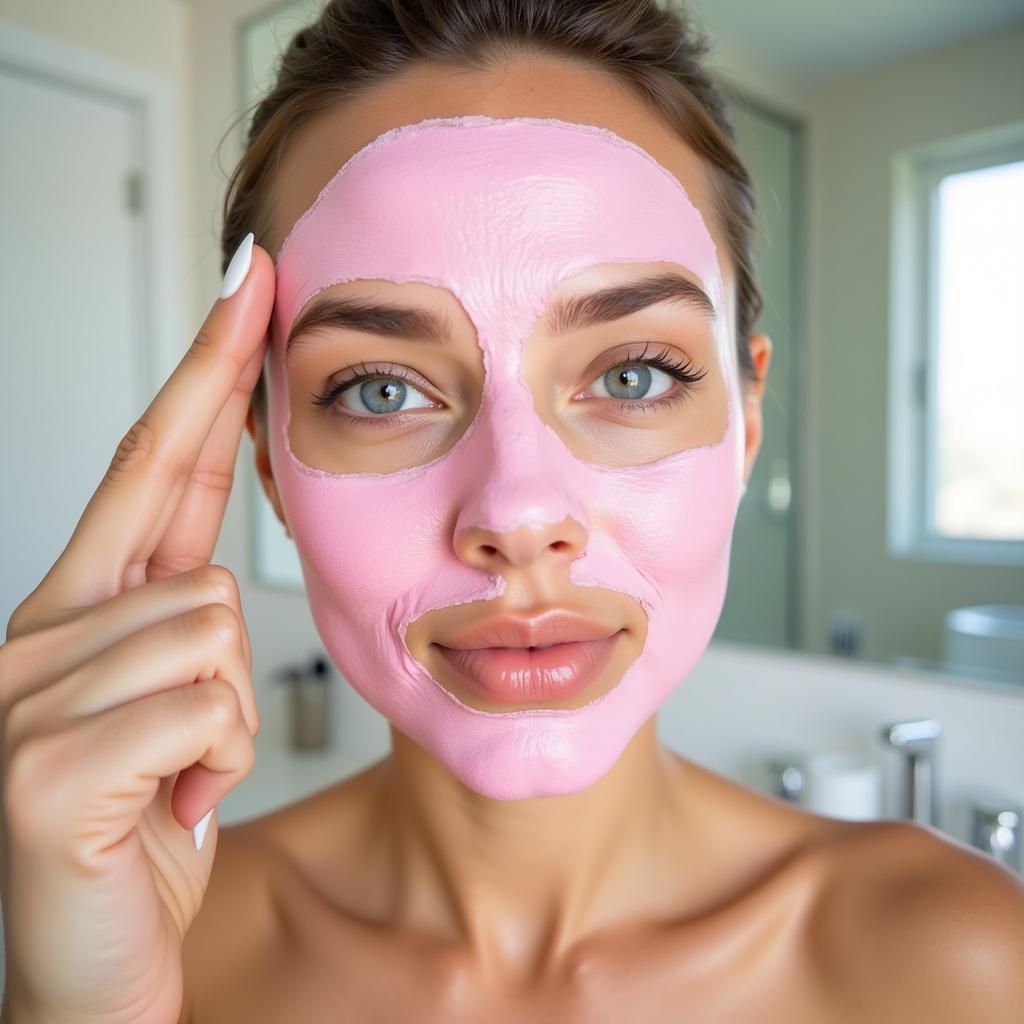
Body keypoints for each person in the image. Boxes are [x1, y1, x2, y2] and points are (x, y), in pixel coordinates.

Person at [2, 2, 1022, 1022]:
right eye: (380, 389)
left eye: (632, 373)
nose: (519, 515)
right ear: (268, 459)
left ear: (746, 424)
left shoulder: (959, 960)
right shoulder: (164, 955)